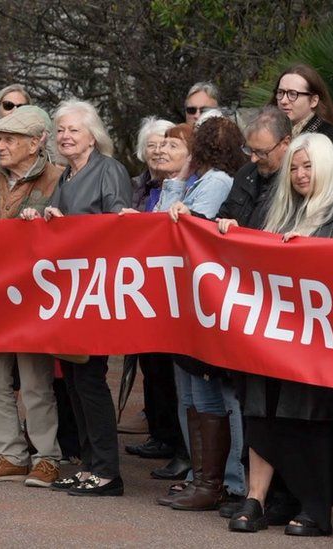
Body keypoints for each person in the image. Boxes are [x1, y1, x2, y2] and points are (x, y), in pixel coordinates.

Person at [227, 133, 333, 537]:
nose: (299, 174)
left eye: (308, 165)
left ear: (327, 166)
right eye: (293, 166)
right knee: (259, 407)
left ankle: (313, 503)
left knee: (310, 418)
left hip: (321, 345)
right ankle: (257, 497)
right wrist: (227, 233)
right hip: (270, 339)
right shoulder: (276, 209)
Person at [21, 99, 130, 496]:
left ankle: (107, 472)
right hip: (68, 294)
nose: (66, 136)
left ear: (92, 135)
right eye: (61, 130)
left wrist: (71, 227)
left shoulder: (109, 170)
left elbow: (119, 226)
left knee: (91, 380)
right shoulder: (65, 176)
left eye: (74, 130)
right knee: (74, 381)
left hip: (97, 290)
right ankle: (88, 464)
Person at [0, 105, 63, 486]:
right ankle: (10, 454)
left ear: (37, 142)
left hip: (34, 295)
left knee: (36, 380)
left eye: (9, 139)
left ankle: (48, 457)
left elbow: (63, 228)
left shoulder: (57, 176)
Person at [156, 117, 248, 513]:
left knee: (215, 393)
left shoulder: (216, 183)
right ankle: (203, 475)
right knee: (193, 392)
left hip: (204, 300)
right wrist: (176, 181)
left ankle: (227, 480)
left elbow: (179, 232)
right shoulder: (199, 181)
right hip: (187, 300)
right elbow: (161, 223)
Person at [123, 116, 184, 478]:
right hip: (141, 288)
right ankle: (160, 434)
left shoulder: (186, 186)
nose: (159, 151)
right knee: (152, 368)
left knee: (174, 373)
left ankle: (179, 443)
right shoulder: (137, 186)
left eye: (167, 144)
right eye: (152, 145)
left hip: (172, 291)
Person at [268, 64, 333, 180]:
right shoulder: (271, 134)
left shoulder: (331, 138)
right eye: (280, 92)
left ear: (313, 100)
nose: (283, 100)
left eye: (293, 94)